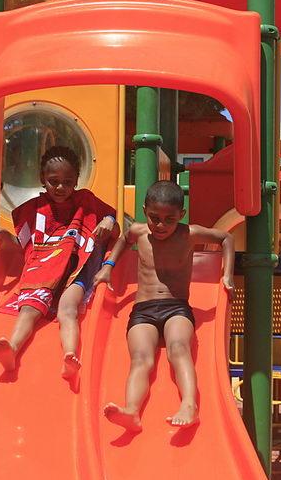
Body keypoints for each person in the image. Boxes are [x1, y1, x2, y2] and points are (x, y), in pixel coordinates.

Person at [95, 180, 234, 431]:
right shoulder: (138, 232)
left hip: (176, 307)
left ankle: (189, 405)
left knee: (179, 348)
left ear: (181, 214)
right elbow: (124, 240)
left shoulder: (189, 234)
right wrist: (108, 267)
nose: (160, 225)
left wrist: (227, 275)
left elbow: (226, 238)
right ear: (144, 211)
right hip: (143, 310)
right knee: (140, 359)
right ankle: (132, 410)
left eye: (169, 219)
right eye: (154, 218)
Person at [0, 146, 117, 379]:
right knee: (29, 307)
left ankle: (70, 356)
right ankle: (12, 348)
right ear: (43, 179)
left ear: (76, 180)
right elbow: (27, 246)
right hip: (45, 270)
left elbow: (114, 227)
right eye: (54, 181)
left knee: (68, 309)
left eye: (67, 182)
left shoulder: (85, 202)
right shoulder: (37, 209)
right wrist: (4, 236)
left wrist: (108, 221)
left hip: (76, 271)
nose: (61, 187)